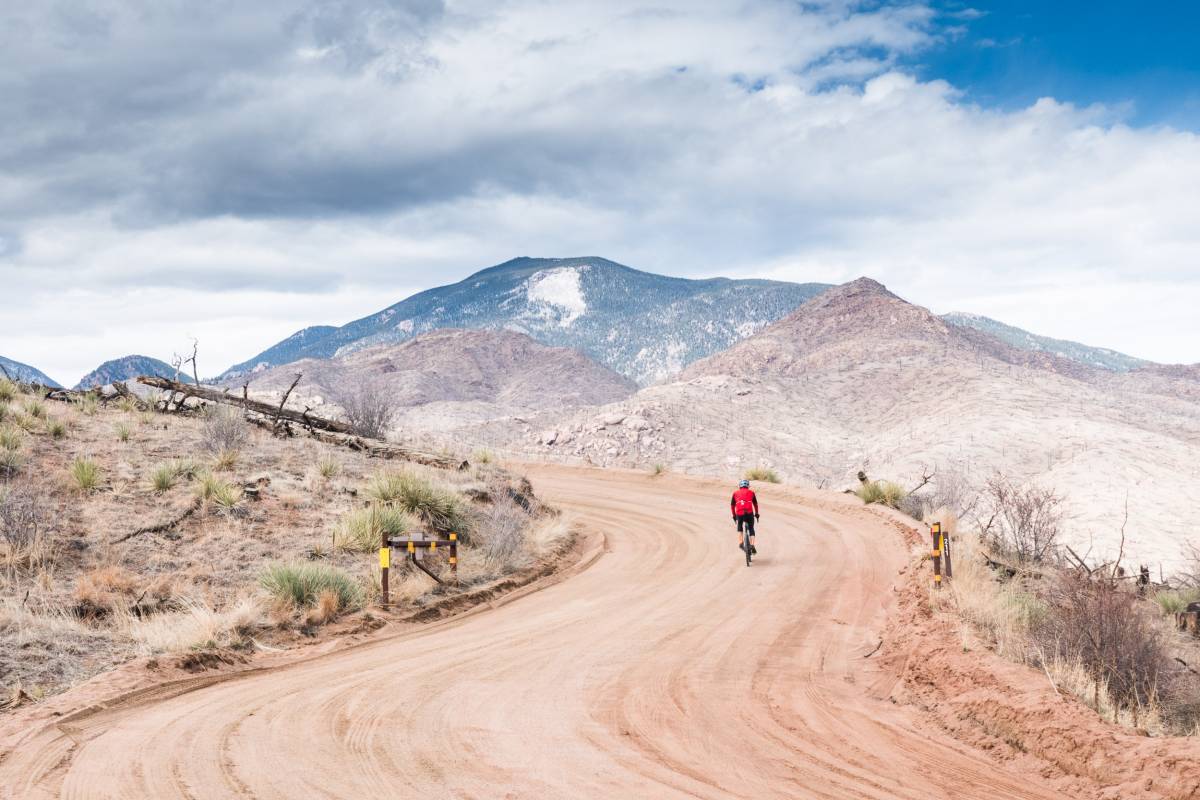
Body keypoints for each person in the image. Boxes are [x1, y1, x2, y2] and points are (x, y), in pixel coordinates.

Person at [731, 479, 760, 554]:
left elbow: (732, 505)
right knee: (751, 528)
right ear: (748, 486)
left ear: (739, 486)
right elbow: (755, 504)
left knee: (740, 527)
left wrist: (734, 516)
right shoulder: (752, 492)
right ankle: (752, 545)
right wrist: (756, 514)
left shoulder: (735, 493)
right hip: (749, 513)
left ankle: (741, 543)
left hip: (739, 513)